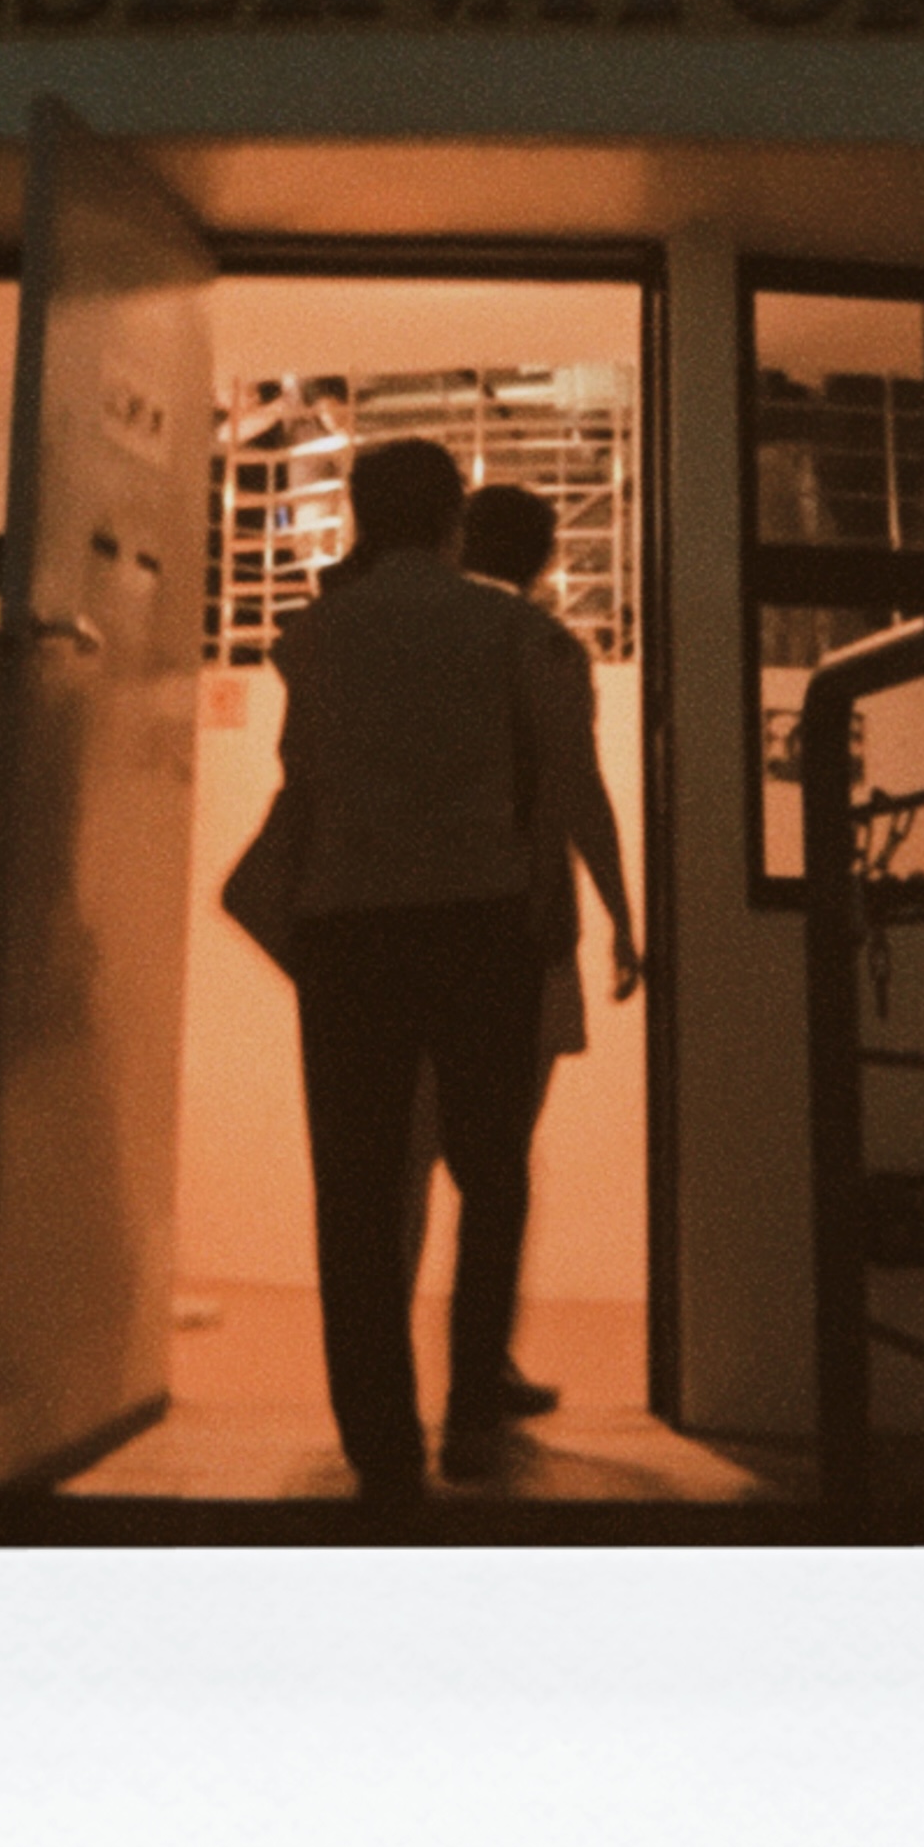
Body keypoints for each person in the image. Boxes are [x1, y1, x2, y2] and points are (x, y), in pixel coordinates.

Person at [269, 436, 608, 1500]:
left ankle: (382, 1443)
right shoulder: (512, 629)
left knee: (359, 1190)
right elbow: (558, 781)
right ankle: (471, 1417)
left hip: (350, 930)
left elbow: (303, 775)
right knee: (491, 1175)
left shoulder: (313, 636)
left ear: (362, 519)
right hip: (481, 924)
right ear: (456, 518)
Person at [396, 482, 644, 1416]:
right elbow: (579, 788)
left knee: (406, 1160)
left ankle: (389, 1379)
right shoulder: (543, 645)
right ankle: (476, 1382)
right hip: (521, 933)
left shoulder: (411, 644)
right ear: (543, 559)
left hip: (410, 926)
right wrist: (621, 915)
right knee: (495, 1166)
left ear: (459, 543)